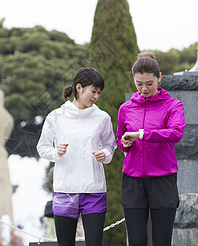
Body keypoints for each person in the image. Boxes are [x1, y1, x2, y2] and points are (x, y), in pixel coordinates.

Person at [37, 67, 117, 246]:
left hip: (94, 191)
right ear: (79, 88)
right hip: (65, 189)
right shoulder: (56, 117)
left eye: (99, 93)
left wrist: (104, 154)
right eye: (93, 91)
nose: (96, 96)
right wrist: (55, 152)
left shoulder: (102, 118)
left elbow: (111, 145)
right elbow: (42, 148)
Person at [116, 52, 185, 246]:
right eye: (139, 84)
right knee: (136, 241)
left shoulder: (173, 106)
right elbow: (119, 139)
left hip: (163, 180)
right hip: (132, 181)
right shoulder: (125, 109)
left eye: (149, 83)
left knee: (162, 241)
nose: (144, 88)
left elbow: (175, 133)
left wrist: (142, 134)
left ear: (159, 78)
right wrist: (125, 144)